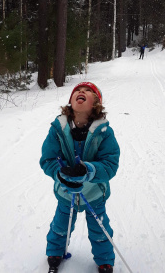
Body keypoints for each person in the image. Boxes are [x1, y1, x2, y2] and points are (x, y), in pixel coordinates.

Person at [40, 82, 120, 273]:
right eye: (77, 90)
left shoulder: (104, 133)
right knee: (60, 225)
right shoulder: (57, 129)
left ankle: (105, 260)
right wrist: (59, 174)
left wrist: (89, 170)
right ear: (71, 101)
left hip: (94, 194)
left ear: (96, 104)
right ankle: (55, 251)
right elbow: (48, 159)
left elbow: (110, 164)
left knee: (99, 229)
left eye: (88, 91)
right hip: (66, 192)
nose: (81, 91)